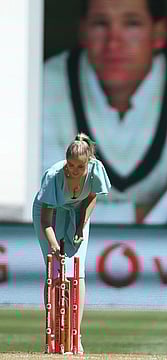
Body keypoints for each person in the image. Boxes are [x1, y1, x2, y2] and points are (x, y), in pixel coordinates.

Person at [43, 0, 167, 224]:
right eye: (100, 23)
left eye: (132, 24)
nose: (113, 43)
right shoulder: (47, 81)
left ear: (159, 32)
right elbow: (46, 205)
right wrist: (141, 214)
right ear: (82, 31)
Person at [33, 133, 111, 354]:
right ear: (65, 161)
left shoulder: (95, 169)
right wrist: (54, 246)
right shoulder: (54, 176)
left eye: (80, 167)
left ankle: (75, 336)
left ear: (89, 163)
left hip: (78, 212)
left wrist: (81, 224)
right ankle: (54, 334)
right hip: (48, 213)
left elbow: (91, 197)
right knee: (55, 270)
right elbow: (46, 220)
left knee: (78, 269)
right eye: (71, 165)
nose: (74, 171)